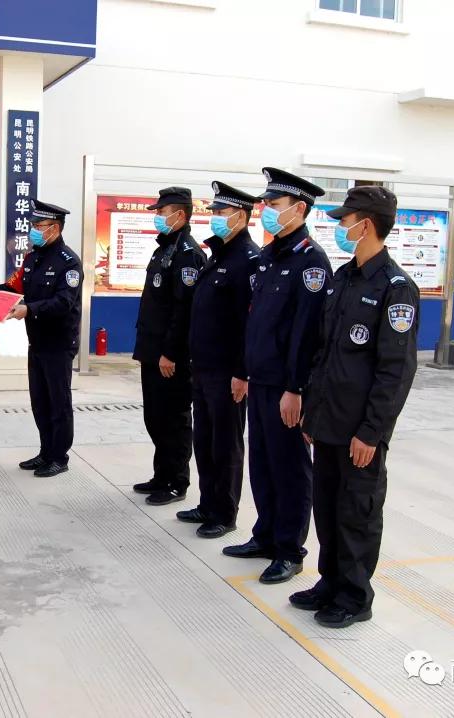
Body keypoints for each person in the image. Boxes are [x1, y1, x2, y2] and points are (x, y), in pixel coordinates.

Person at [296, 186, 419, 628]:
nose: (340, 227)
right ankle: (330, 582)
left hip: (359, 431)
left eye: (345, 221)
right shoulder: (345, 278)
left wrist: (371, 432)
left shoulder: (396, 289)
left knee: (357, 513)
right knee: (328, 508)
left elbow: (395, 372)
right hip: (328, 421)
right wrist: (312, 412)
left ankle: (354, 597)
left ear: (365, 225)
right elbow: (324, 353)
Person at [223, 168, 331, 585]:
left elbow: (307, 333)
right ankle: (265, 535)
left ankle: (289, 549)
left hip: (287, 387)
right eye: (265, 203)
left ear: (298, 209)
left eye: (274, 204)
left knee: (290, 469)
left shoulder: (311, 261)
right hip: (261, 379)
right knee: (263, 464)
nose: (266, 210)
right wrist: (244, 371)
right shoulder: (269, 256)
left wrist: (296, 388)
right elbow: (255, 322)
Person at [176, 182, 261, 539]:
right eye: (214, 213)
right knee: (205, 441)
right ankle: (207, 503)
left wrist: (242, 372)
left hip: (228, 373)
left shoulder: (249, 260)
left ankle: (225, 513)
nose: (216, 219)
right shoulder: (219, 255)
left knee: (226, 445)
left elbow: (250, 322)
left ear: (240, 216)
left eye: (222, 213)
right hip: (203, 367)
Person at [0, 200, 83, 478]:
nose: (34, 231)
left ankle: (59, 457)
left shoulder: (69, 262)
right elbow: (13, 286)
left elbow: (63, 302)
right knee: (40, 401)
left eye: (40, 226)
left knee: (58, 402)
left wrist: (29, 309)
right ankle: (45, 452)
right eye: (34, 226)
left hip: (59, 343)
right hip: (37, 341)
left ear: (55, 228)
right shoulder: (32, 258)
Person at [131, 187, 207, 506]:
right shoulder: (164, 249)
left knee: (174, 419)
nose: (158, 217)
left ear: (179, 214)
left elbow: (183, 310)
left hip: (170, 356)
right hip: (152, 351)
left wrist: (171, 353)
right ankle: (161, 474)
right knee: (155, 417)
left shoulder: (187, 254)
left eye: (162, 212)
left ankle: (177, 481)